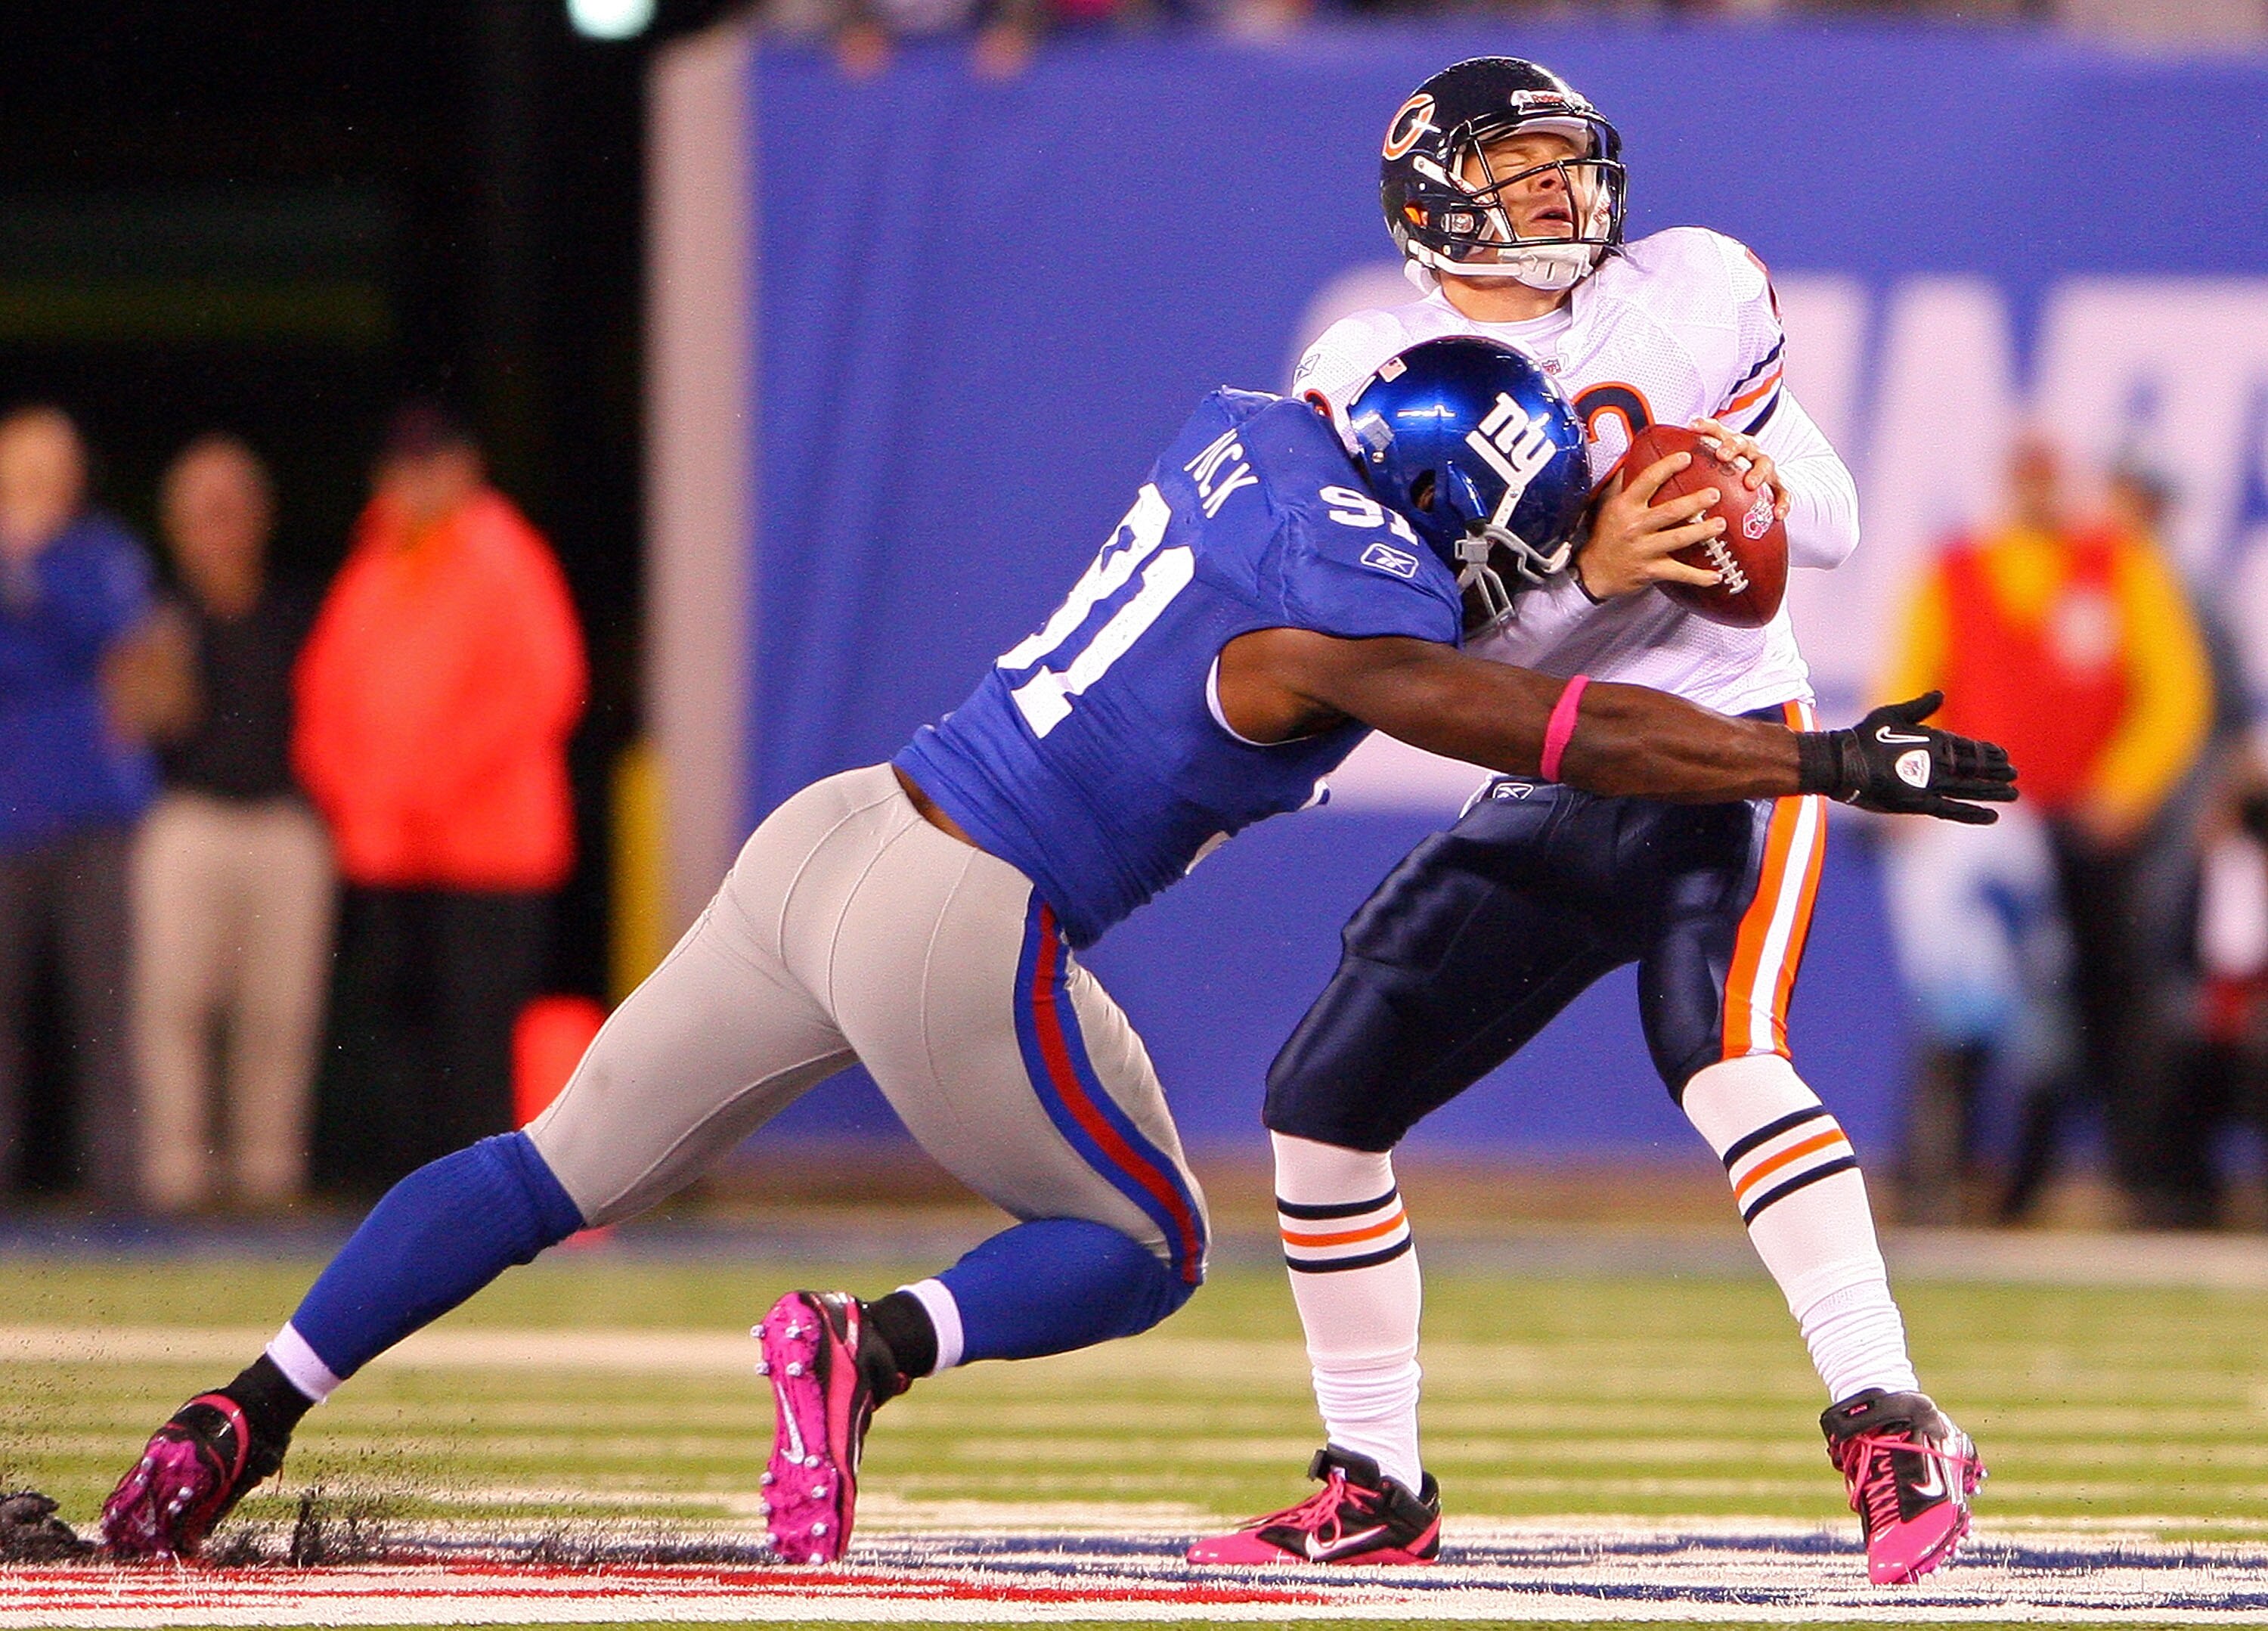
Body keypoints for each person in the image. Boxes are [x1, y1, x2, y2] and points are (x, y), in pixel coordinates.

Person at [98, 340, 2012, 1567]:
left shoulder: (1250, 432)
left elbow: (1423, 542)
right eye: (1498, 545)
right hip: (968, 920)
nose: (1514, 577)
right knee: (1153, 1246)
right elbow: (1556, 733)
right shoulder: (1344, 618)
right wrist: (1824, 752)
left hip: (832, 836)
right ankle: (860, 1350)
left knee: (545, 1173)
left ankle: (237, 1412)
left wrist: (1549, 541)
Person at [1195, 59, 1980, 1586]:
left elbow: (1829, 513)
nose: (1563, 193)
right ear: (1436, 198)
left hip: (1731, 748)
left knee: (1725, 1047)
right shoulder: (1370, 367)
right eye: (1523, 168)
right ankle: (1375, 1478)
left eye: (1570, 161)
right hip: (1557, 770)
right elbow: (1450, 669)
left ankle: (1892, 1417)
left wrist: (1728, 494)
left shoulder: (1684, 296)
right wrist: (1599, 562)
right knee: (1323, 1096)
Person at [1885, 435, 2211, 1224]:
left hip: (2080, 833)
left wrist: (2122, 792)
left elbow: (2176, 692)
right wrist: (1913, 793)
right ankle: (1937, 1176)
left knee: (2085, 1010)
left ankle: (2100, 1181)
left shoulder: (2117, 565)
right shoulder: (1957, 572)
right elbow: (1912, 689)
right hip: (1981, 827)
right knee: (1961, 1001)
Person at [293, 406, 587, 1194]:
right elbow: (325, 699)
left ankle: (479, 1206)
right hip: (392, 851)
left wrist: (425, 785)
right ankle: (404, 1203)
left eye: (429, 466)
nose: (414, 484)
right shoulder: (376, 566)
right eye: (401, 468)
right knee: (399, 1040)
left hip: (488, 853)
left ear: (465, 469)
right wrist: (356, 797)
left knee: (475, 1041)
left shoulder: (504, 557)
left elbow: (543, 690)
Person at [131, 436, 333, 1213]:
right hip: (187, 821)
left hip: (284, 824)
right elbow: (136, 724)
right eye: (200, 511)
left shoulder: (298, 608)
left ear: (259, 517)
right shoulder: (156, 613)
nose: (217, 526)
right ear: (176, 524)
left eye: (230, 508)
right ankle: (175, 1179)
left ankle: (267, 1177)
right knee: (173, 1004)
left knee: (279, 1013)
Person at [0, 405, 166, 1207]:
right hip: (6, 819)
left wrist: (32, 568)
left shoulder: (102, 552)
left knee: (107, 1014)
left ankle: (120, 1195)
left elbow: (115, 637)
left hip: (95, 816)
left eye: (50, 463)